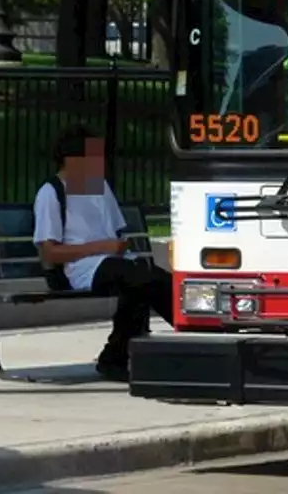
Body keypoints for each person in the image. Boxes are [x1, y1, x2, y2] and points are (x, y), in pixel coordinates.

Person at [32, 124, 171, 382]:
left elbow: (116, 234)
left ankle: (117, 357)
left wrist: (116, 247)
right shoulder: (51, 193)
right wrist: (102, 247)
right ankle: (117, 355)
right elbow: (49, 254)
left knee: (153, 278)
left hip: (114, 262)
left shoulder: (100, 188)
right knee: (138, 278)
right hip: (81, 270)